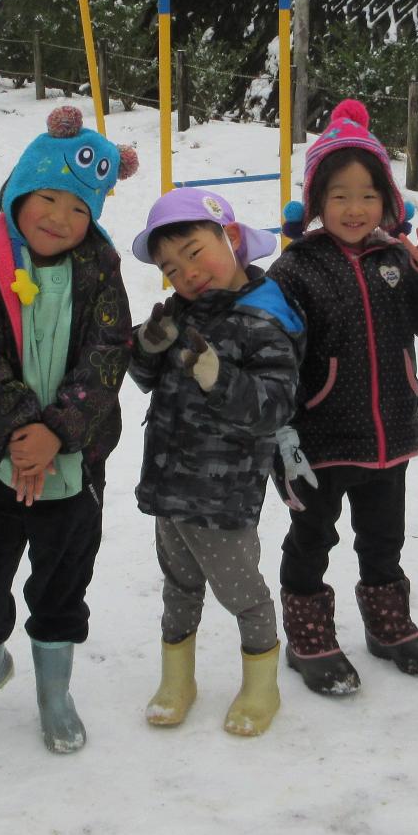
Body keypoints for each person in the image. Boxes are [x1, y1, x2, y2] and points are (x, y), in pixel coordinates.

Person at [0, 106, 135, 752]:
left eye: (79, 208)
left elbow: (107, 354)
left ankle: (55, 690)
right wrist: (22, 435)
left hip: (73, 467)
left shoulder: (99, 266)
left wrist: (58, 434)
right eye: (47, 198)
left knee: (61, 583)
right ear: (20, 192)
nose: (60, 218)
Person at [270, 99, 418, 695]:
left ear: (388, 201)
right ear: (316, 204)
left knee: (384, 538)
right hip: (320, 440)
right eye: (339, 196)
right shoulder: (297, 268)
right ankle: (309, 636)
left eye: (367, 194)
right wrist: (280, 434)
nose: (355, 208)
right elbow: (273, 353)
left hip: (389, 435)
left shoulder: (397, 260)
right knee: (313, 538)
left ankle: (389, 625)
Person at [129, 188, 304, 737]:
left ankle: (261, 685)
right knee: (178, 584)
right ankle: (177, 680)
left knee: (241, 593)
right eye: (170, 267)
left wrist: (214, 373)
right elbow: (148, 381)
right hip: (169, 482)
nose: (186, 272)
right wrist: (146, 350)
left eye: (194, 251)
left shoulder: (265, 319)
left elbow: (272, 406)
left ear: (229, 238)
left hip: (224, 493)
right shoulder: (182, 311)